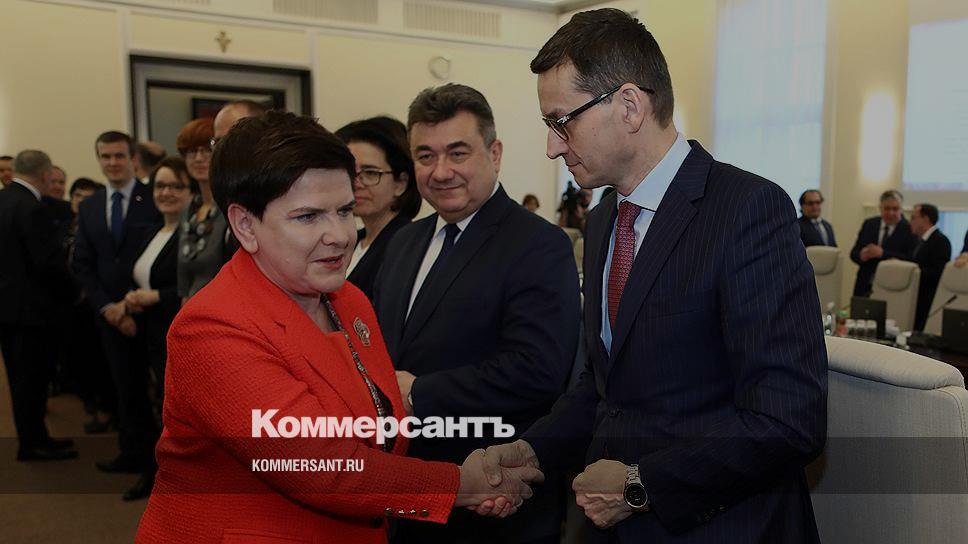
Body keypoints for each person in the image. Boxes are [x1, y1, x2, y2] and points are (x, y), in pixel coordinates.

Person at [480, 10, 827, 543]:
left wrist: (642, 484)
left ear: (629, 106)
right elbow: (605, 388)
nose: (553, 145)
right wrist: (533, 449)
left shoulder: (746, 210)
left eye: (561, 121)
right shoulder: (603, 221)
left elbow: (789, 418)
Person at [135, 110, 543, 544]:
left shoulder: (349, 301)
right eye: (308, 217)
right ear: (245, 225)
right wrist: (459, 484)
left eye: (345, 210)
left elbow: (378, 426)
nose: (340, 235)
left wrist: (474, 467)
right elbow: (318, 466)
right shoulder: (213, 327)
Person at [372, 84, 580, 544]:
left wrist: (419, 392)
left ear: (495, 153)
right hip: (406, 493)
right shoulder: (404, 242)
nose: (441, 171)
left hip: (494, 501)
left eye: (458, 153)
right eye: (425, 156)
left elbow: (537, 370)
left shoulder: (538, 245)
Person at [73, 131, 161, 484]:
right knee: (125, 389)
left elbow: (159, 257)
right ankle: (131, 453)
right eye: (105, 156)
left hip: (149, 313)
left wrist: (128, 305)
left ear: (133, 159)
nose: (112, 162)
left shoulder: (153, 199)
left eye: (119, 156)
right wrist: (108, 307)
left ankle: (157, 463)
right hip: (109, 316)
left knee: (158, 392)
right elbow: (83, 264)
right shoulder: (90, 206)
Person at [118, 157, 193, 501]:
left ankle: (169, 481)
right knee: (151, 406)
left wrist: (156, 296)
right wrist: (131, 297)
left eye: (176, 186)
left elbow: (194, 287)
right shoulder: (152, 232)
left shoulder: (192, 235)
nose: (166, 193)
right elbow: (139, 275)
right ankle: (153, 473)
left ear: (190, 192)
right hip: (147, 333)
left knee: (171, 413)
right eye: (160, 186)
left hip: (174, 333)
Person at [0, 150, 78, 461]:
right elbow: (48, 264)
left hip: (7, 310)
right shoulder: (32, 208)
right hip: (33, 312)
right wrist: (74, 293)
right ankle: (33, 443)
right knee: (33, 380)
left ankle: (34, 437)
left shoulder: (3, 200)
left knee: (19, 379)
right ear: (45, 175)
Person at [336, 116, 421, 301]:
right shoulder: (351, 240)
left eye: (370, 173)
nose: (357, 183)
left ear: (400, 183)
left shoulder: (408, 247)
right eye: (350, 172)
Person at [176, 118, 228, 301]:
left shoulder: (230, 208)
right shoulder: (188, 210)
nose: (198, 158)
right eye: (192, 151)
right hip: (191, 308)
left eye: (206, 150)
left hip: (223, 306)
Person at [849, 190, 917, 296]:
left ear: (901, 209)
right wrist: (861, 255)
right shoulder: (869, 224)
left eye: (895, 209)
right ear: (880, 208)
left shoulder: (909, 228)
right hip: (864, 284)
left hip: (894, 286)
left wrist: (883, 253)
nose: (891, 213)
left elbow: (910, 258)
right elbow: (854, 253)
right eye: (887, 209)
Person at [908, 204, 952, 331]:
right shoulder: (919, 241)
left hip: (928, 301)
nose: (910, 222)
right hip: (915, 297)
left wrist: (913, 272)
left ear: (925, 219)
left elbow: (938, 272)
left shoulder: (941, 241)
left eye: (913, 218)